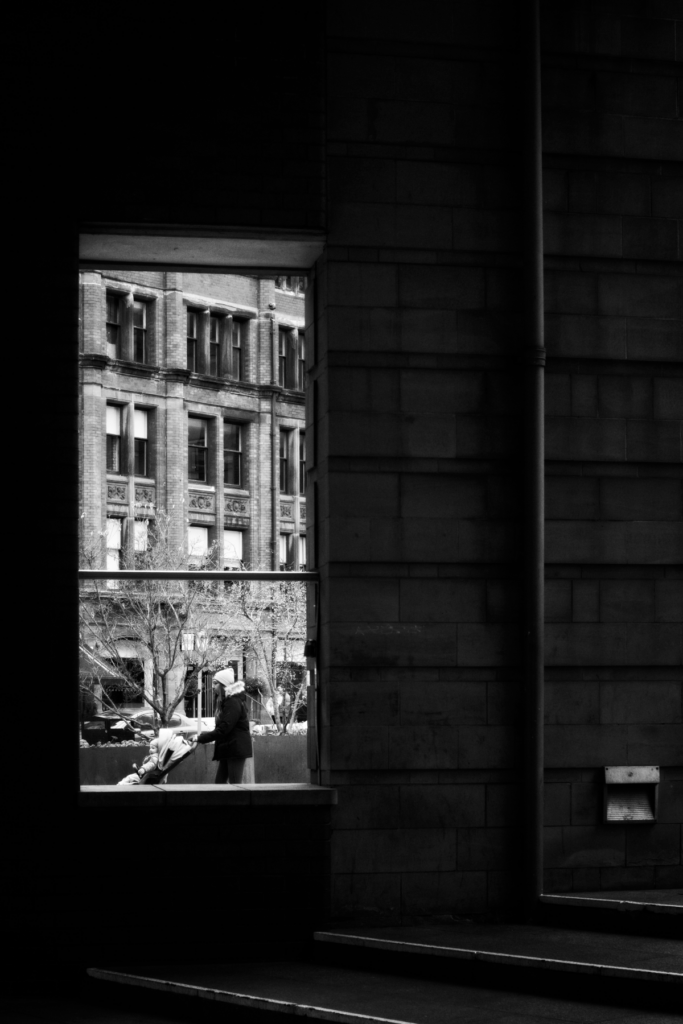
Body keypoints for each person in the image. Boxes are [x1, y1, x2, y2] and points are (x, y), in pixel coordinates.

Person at [194, 668, 253, 784]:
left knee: (235, 786)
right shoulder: (227, 701)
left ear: (223, 685)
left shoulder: (233, 702)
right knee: (219, 785)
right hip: (228, 748)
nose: (213, 686)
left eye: (216, 683)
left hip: (235, 749)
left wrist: (200, 738)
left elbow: (223, 729)